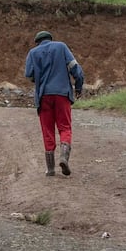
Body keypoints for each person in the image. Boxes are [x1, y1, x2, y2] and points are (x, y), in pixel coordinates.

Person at [24, 30, 85, 177]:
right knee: (64, 127)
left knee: (47, 130)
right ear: (50, 39)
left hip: (44, 96)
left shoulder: (33, 53)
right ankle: (64, 157)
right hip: (62, 94)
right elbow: (75, 68)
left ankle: (50, 169)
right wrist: (78, 86)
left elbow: (29, 74)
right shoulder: (61, 46)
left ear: (37, 42)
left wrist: (39, 77)